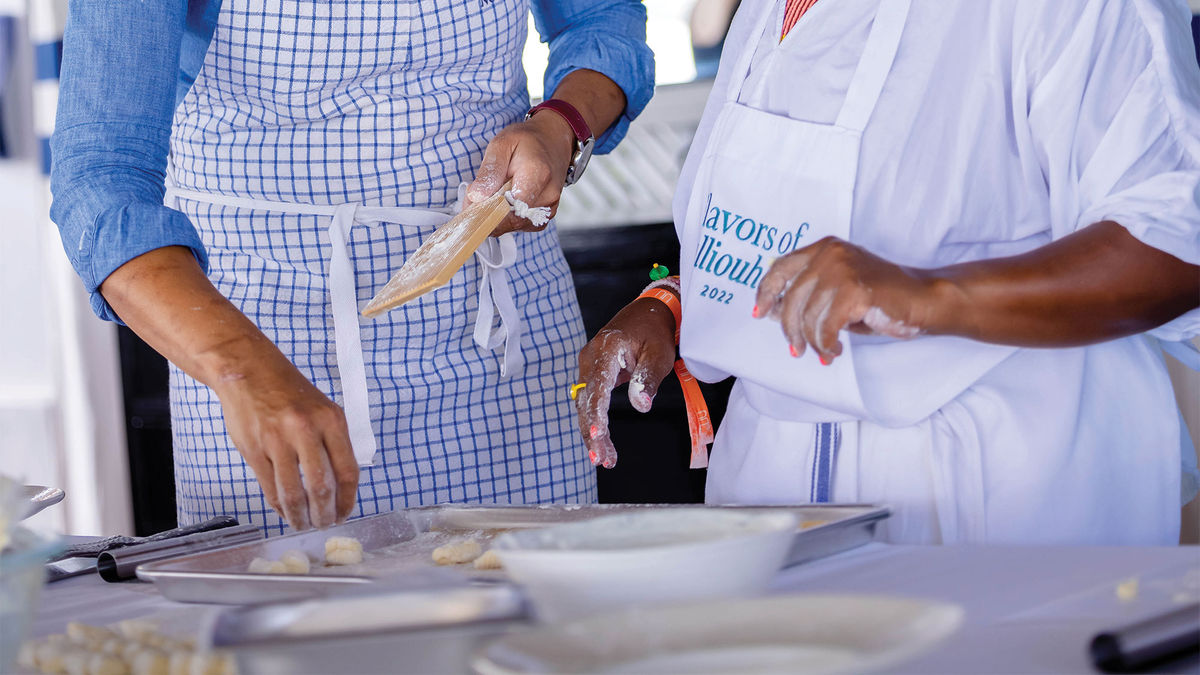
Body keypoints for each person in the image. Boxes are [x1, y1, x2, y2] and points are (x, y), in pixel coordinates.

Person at [576, 0, 1200, 545]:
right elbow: (799, 223)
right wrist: (676, 299)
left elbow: (1172, 249)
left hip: (1000, 497)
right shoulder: (772, 8)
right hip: (768, 498)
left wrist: (931, 296)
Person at [51, 1, 653, 534]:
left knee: (533, 633)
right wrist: (240, 371)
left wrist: (560, 126)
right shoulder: (247, 361)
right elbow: (102, 180)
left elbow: (602, 21)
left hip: (503, 341)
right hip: (259, 338)